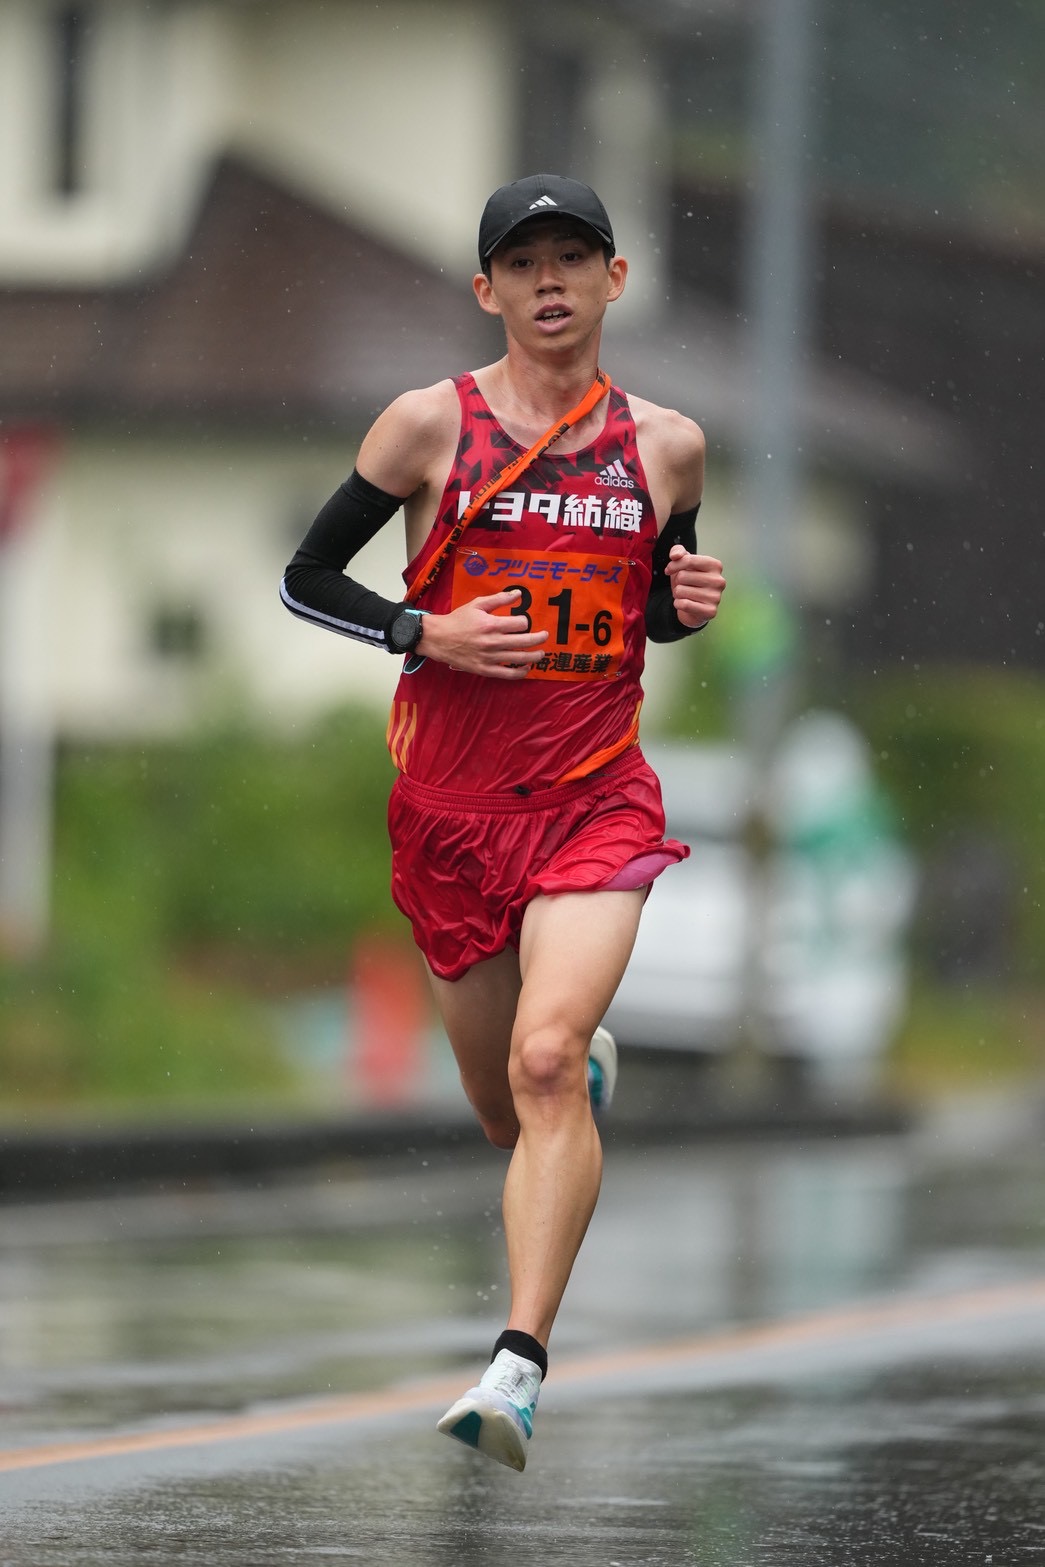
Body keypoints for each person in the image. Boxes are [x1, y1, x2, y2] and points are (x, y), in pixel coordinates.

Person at [280, 173, 726, 1472]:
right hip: (451, 816)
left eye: (572, 259)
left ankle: (515, 1366)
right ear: (485, 288)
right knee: (500, 1106)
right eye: (522, 262)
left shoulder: (667, 446)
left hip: (594, 799)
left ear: (611, 281)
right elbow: (305, 577)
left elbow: (653, 607)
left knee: (542, 1061)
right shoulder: (427, 425)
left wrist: (682, 603)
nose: (549, 282)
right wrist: (422, 628)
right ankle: (569, 1081)